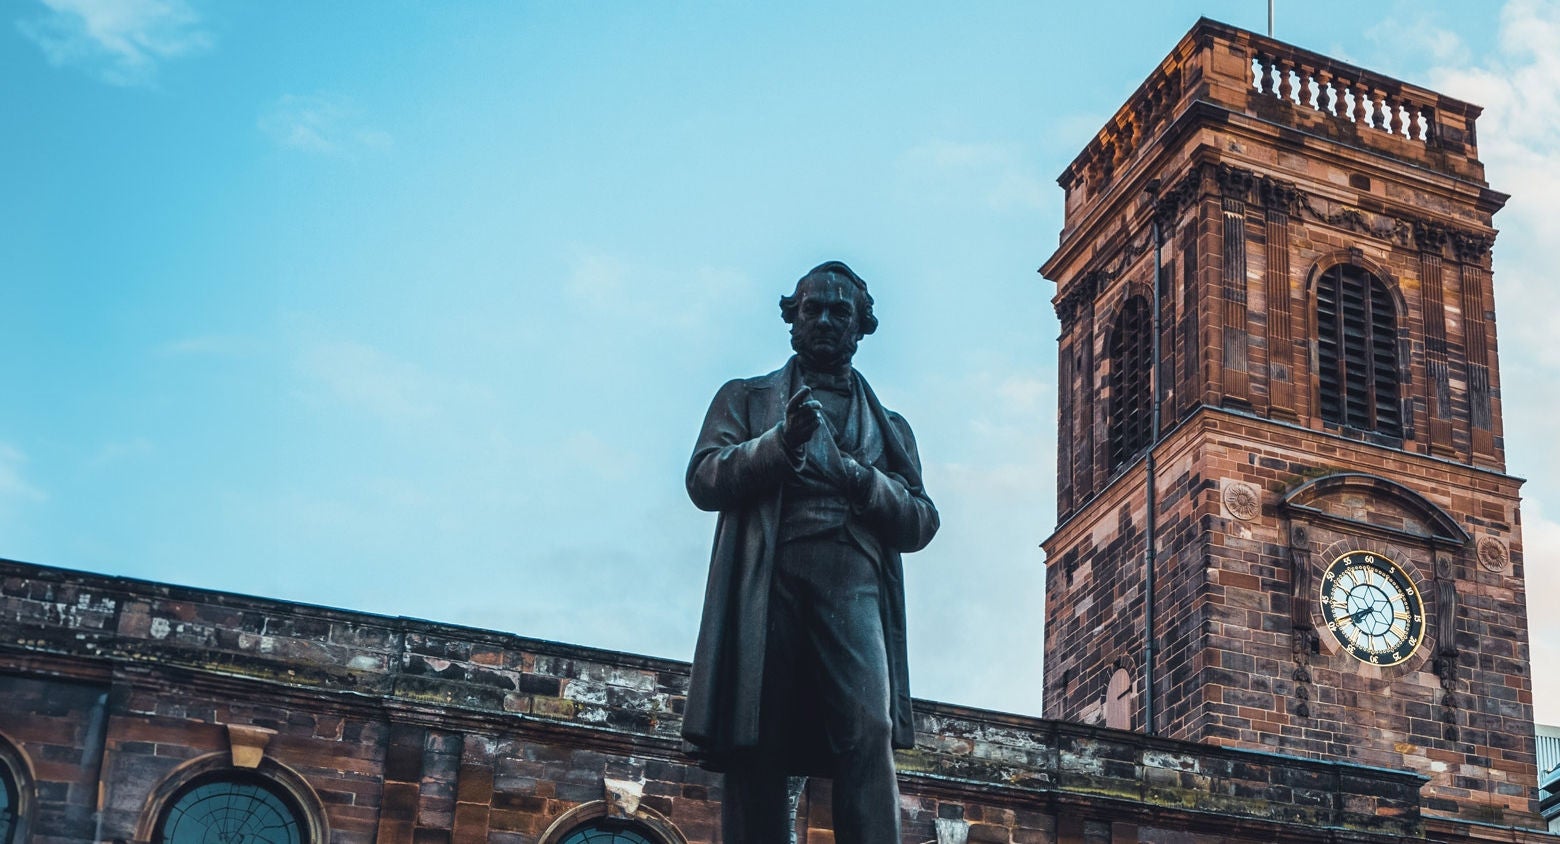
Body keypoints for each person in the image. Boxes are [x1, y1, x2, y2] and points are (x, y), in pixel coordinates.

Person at [683, 261, 939, 844]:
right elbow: (703, 478)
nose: (824, 319)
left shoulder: (891, 428)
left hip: (854, 582)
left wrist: (855, 476)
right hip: (766, 579)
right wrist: (780, 442)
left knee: (867, 728)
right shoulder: (745, 399)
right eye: (812, 309)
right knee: (756, 736)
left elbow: (921, 520)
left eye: (839, 311)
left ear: (860, 327)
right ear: (792, 320)